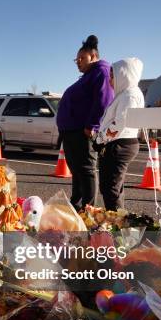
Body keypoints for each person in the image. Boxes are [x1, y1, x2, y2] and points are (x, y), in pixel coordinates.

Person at [56, 35, 114, 211]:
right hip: (72, 131)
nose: (78, 62)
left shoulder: (101, 71)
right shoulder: (88, 75)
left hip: (82, 131)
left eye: (82, 58)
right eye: (76, 59)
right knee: (77, 171)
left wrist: (92, 126)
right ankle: (77, 204)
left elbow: (104, 100)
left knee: (86, 170)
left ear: (94, 56)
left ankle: (88, 209)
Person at [95, 58, 144, 211]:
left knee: (111, 189)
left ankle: (115, 225)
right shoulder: (126, 94)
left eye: (112, 76)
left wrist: (100, 139)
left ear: (124, 75)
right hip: (119, 142)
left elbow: (119, 124)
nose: (110, 80)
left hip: (119, 144)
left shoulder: (129, 95)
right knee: (112, 187)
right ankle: (115, 220)